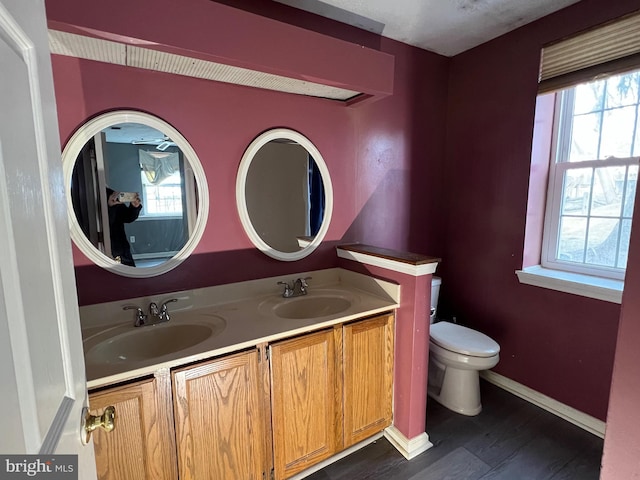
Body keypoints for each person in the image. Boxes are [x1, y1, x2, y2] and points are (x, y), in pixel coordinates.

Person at [106, 187, 142, 267]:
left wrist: (134, 207)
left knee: (132, 275)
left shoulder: (110, 193)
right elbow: (106, 223)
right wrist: (110, 207)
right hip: (107, 246)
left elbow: (127, 217)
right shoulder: (89, 196)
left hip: (121, 247)